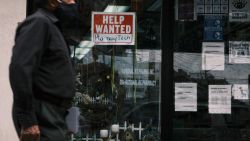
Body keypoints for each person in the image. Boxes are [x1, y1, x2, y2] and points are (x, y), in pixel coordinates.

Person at [9, 0, 77, 140]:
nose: (73, 3)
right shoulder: (39, 22)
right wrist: (27, 120)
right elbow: (20, 68)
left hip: (54, 113)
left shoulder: (53, 27)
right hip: (43, 113)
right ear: (52, 2)